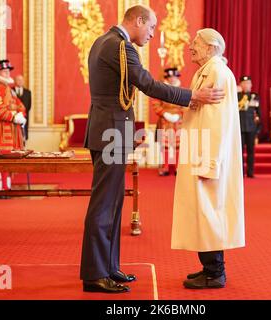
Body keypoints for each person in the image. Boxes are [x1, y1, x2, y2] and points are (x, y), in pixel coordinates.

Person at [81, 5, 225, 293]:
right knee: (105, 204)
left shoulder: (103, 41)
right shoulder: (121, 47)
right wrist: (192, 95)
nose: (151, 34)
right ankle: (95, 274)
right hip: (112, 133)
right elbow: (147, 84)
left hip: (108, 130)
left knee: (114, 202)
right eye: (150, 28)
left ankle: (108, 267)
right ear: (137, 20)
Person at [171, 28, 245, 289]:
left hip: (208, 155)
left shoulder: (218, 72)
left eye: (196, 43)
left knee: (209, 212)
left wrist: (210, 161)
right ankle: (208, 267)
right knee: (202, 212)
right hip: (199, 151)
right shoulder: (205, 71)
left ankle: (215, 273)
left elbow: (219, 122)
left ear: (212, 47)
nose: (190, 46)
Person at [0, 59, 27, 196]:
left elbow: (20, 105)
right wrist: (13, 116)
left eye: (8, 71)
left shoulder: (11, 90)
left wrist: (20, 114)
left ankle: (7, 187)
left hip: (13, 130)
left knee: (10, 160)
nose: (7, 73)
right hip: (1, 129)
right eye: (5, 71)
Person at [153, 67, 185, 176]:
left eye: (174, 76)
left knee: (177, 145)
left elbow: (186, 106)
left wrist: (179, 115)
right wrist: (164, 113)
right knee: (165, 145)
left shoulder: (182, 90)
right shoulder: (161, 90)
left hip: (178, 122)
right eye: (170, 77)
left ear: (177, 77)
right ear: (167, 78)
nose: (172, 79)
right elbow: (156, 104)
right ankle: (165, 167)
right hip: (164, 121)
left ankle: (177, 167)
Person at [238, 75, 261, 178]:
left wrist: (258, 128)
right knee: (240, 151)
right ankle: (241, 173)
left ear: (251, 85)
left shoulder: (254, 96)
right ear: (240, 85)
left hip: (251, 127)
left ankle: (250, 172)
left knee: (251, 151)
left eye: (248, 83)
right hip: (240, 128)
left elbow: (258, 113)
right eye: (244, 83)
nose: (246, 85)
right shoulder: (236, 96)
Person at [14, 75, 32, 142]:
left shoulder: (28, 92)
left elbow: (29, 106)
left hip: (24, 119)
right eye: (18, 80)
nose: (20, 81)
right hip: (13, 118)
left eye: (21, 80)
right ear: (15, 81)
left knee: (23, 138)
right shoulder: (10, 91)